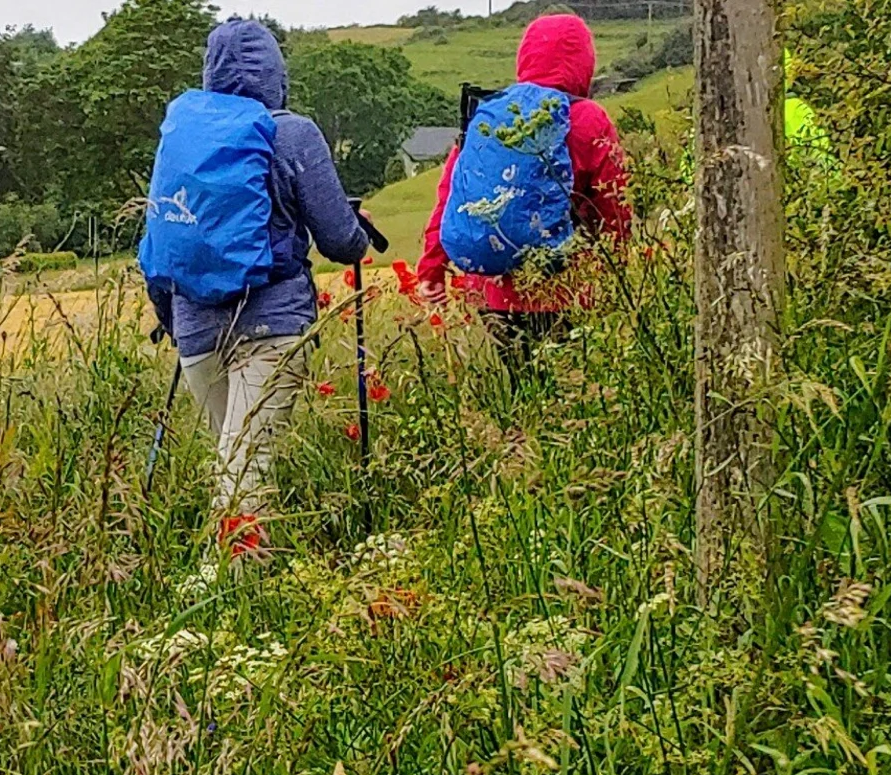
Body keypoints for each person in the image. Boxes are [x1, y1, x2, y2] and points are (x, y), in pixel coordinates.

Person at [144, 19, 371, 555]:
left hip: (195, 327)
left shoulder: (183, 134)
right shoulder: (292, 132)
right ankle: (222, 592)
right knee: (246, 468)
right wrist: (361, 235)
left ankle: (247, 582)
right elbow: (341, 242)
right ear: (277, 74)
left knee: (233, 462)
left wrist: (170, 318)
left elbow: (161, 237)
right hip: (271, 324)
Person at [415, 14, 631, 373]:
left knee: (522, 388)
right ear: (585, 62)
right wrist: (620, 274)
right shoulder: (588, 118)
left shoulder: (489, 115)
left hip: (495, 294)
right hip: (567, 290)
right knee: (570, 396)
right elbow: (615, 206)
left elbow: (452, 197)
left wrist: (431, 270)